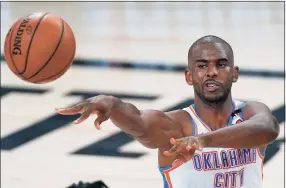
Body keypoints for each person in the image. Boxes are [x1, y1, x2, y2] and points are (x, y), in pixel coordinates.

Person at [56, 35, 280, 188]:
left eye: (221, 64)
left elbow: (268, 129)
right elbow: (140, 124)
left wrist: (202, 141)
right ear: (189, 76)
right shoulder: (177, 126)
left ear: (234, 73)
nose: (211, 72)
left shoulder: (250, 112)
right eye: (202, 66)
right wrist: (113, 106)